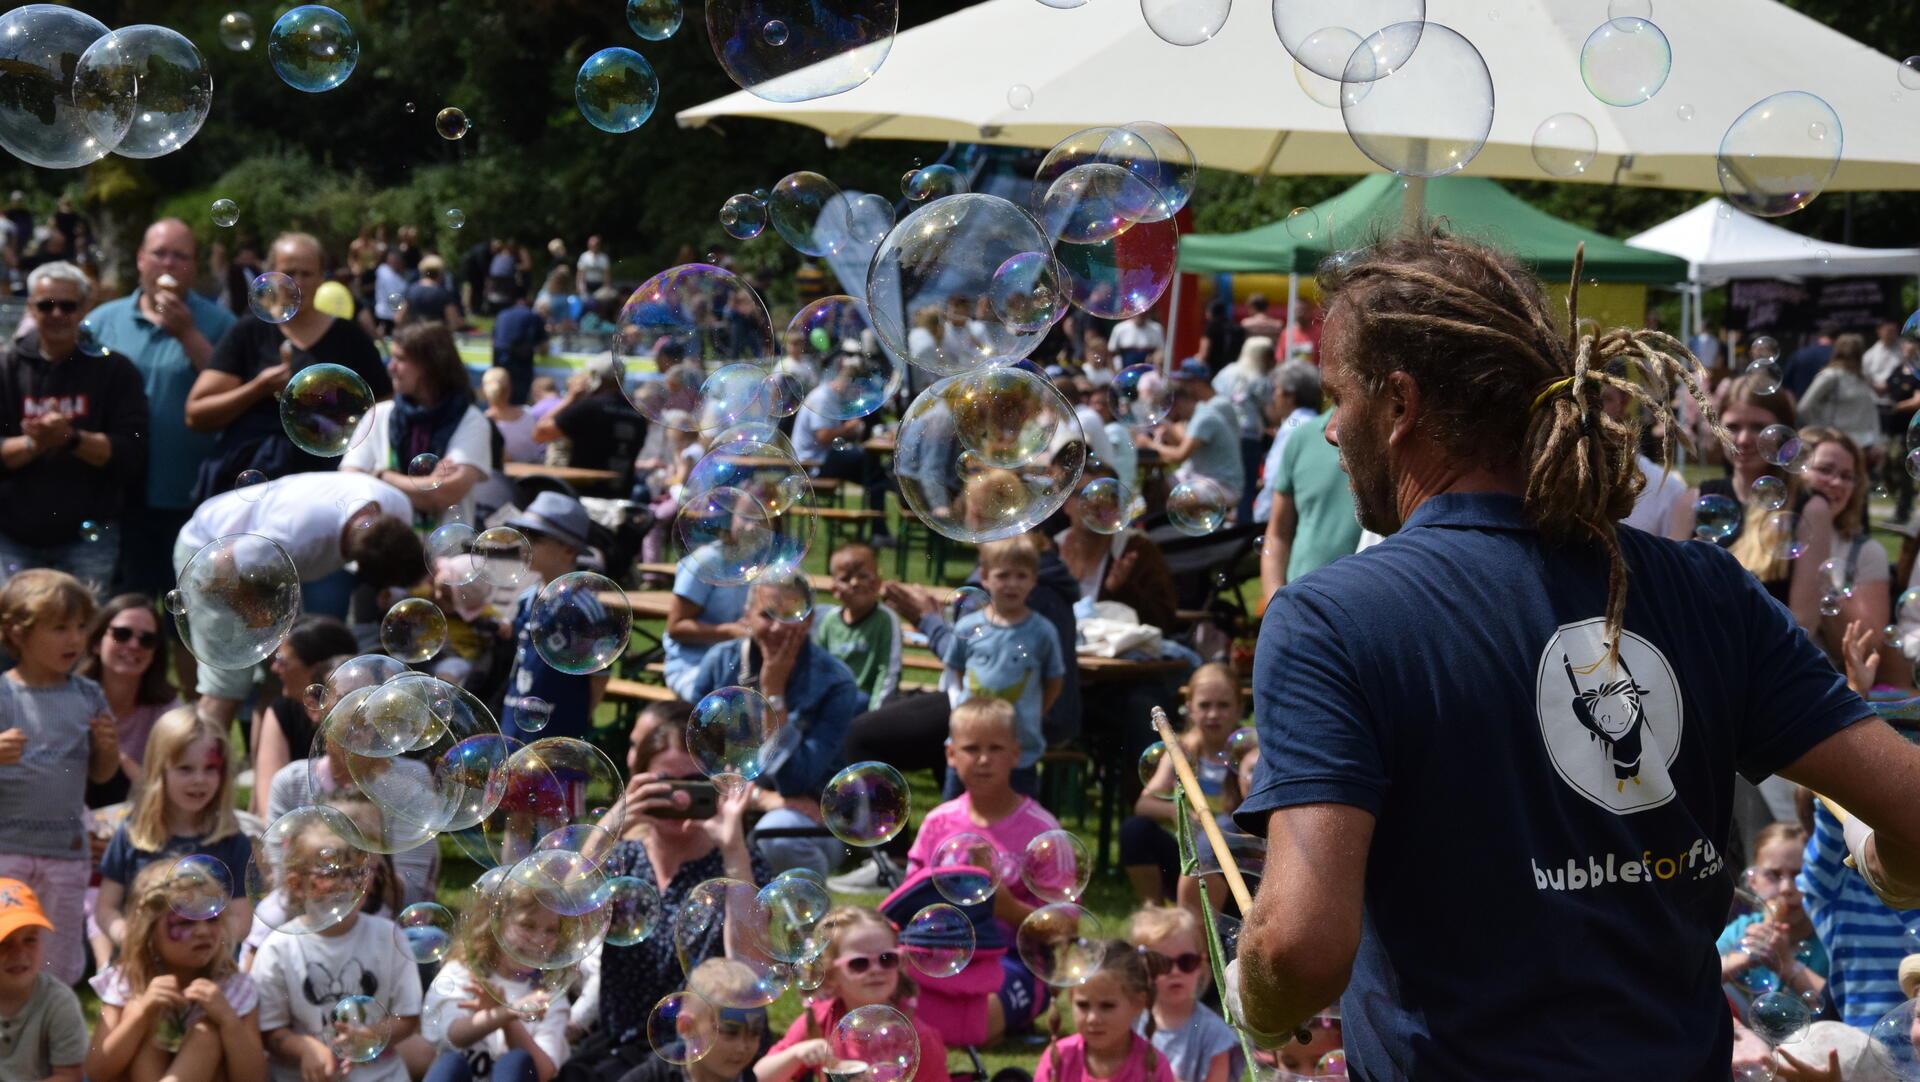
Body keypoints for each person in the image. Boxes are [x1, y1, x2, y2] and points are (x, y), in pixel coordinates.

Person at [1229, 228, 1920, 1079]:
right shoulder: (1708, 587)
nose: (1333, 430)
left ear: (1400, 404)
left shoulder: (1332, 618)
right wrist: (1889, 866)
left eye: (1339, 397)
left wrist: (1252, 992)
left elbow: (1301, 951)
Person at [174, 472, 424, 723]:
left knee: (284, 680)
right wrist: (261, 621)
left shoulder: (398, 508)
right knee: (227, 688)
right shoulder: (300, 537)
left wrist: (277, 639)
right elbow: (221, 569)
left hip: (260, 569)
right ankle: (196, 756)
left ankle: (266, 761)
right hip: (210, 557)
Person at [88, 219, 236, 596]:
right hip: (116, 493)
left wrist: (187, 334)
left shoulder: (221, 324)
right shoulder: (104, 320)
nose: (168, 264)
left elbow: (236, 391)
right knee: (120, 604)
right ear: (140, 259)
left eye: (180, 256)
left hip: (189, 491)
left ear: (194, 265)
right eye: (159, 253)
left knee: (188, 611)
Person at [187, 232, 392, 500]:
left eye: (307, 273)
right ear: (270, 275)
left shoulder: (349, 337)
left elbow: (385, 409)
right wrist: (257, 388)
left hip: (325, 485)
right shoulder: (250, 331)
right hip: (253, 483)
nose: (299, 282)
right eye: (289, 272)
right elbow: (196, 413)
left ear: (322, 278)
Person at [689, 576, 867, 875]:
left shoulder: (835, 682)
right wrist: (761, 798)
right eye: (767, 614)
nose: (777, 627)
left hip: (811, 813)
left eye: (790, 615)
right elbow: (695, 757)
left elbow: (796, 779)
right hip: (739, 800)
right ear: (746, 617)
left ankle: (804, 913)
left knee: (779, 837)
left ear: (809, 620)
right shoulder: (721, 663)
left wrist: (774, 696)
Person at [596, 744, 766, 1046]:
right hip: (619, 1047)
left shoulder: (745, 867)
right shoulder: (623, 860)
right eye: (663, 783)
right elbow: (557, 915)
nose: (680, 797)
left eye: (693, 782)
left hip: (710, 1055)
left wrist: (733, 850)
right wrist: (611, 825)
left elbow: (751, 972)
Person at [0, 261, 149, 595]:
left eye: (68, 305)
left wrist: (70, 438)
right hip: (12, 536)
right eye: (45, 305)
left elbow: (131, 453)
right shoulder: (6, 367)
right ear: (30, 308)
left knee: (84, 638)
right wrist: (34, 443)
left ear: (86, 308)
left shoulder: (115, 370)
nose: (57, 314)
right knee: (13, 638)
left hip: (89, 539)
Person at [0, 569, 118, 984]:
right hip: (7, 850)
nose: (75, 639)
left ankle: (55, 1033)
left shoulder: (88, 695)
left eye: (81, 627)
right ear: (17, 632)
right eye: (60, 628)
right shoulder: (3, 694)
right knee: (7, 949)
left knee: (56, 957)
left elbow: (102, 776)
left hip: (66, 852)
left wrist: (107, 750)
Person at [253, 813, 423, 1082]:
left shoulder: (388, 936)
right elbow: (269, 1030)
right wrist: (305, 1049)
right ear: (297, 884)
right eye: (331, 873)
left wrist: (374, 1034)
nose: (346, 885)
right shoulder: (278, 948)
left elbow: (409, 1016)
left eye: (355, 873)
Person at [1667, 373, 1835, 633]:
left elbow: (1804, 621)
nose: (1744, 439)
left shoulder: (1809, 508)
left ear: (1784, 433)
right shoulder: (1692, 500)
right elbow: (1671, 597)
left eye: (1758, 427)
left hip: (1772, 661)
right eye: (1733, 426)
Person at [83, 861, 266, 1082]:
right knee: (142, 1022)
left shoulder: (234, 988)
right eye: (186, 923)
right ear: (149, 931)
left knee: (206, 1033)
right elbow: (96, 1071)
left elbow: (254, 1078)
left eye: (212, 918)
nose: (203, 930)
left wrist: (228, 1020)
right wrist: (141, 1013)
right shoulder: (129, 981)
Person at [94, 707, 253, 954]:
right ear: (160, 771)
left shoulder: (232, 842)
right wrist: (129, 937)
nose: (199, 779)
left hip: (210, 971)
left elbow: (241, 917)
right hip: (149, 967)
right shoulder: (132, 835)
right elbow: (106, 908)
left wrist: (205, 947)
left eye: (210, 768)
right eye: (185, 768)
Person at [903, 697, 1059, 935]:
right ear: (951, 754)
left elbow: (1064, 926)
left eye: (995, 748)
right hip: (943, 949)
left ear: (1016, 753)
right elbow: (910, 900)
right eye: (971, 748)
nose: (984, 760)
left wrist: (1007, 908)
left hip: (1014, 957)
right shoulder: (938, 822)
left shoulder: (1041, 830)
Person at [756, 907, 951, 1082]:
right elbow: (759, 1076)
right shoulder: (820, 1020)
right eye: (859, 963)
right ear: (832, 975)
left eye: (886, 959)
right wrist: (796, 1054)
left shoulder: (918, 1039)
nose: (876, 970)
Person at [942, 537, 1066, 797]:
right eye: (1003, 575)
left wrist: (1033, 712)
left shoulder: (1042, 631)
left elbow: (1054, 681)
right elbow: (955, 670)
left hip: (1018, 751)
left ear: (1034, 580)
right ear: (985, 576)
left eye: (1021, 576)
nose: (1012, 583)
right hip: (968, 742)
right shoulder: (968, 627)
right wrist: (961, 709)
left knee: (1017, 825)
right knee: (957, 818)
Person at [343, 320, 494, 530]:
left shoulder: (471, 420)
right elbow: (349, 482)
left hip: (446, 556)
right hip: (380, 553)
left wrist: (378, 475)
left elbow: (443, 494)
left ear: (431, 365)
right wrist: (421, 486)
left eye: (400, 358)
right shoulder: (380, 415)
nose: (391, 367)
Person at [419, 888, 571, 1082]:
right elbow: (453, 1035)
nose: (539, 940)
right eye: (527, 925)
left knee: (516, 1062)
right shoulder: (463, 972)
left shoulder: (550, 994)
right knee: (450, 1063)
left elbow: (543, 1071)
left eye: (551, 931)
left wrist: (508, 1018)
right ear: (495, 924)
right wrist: (505, 1013)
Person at [1123, 664, 1242, 904]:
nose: (1213, 714)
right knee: (1135, 830)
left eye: (1223, 705)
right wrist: (1177, 813)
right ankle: (1154, 913)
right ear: (1189, 709)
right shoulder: (1181, 753)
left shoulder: (1249, 753)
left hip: (1235, 866)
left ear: (1240, 709)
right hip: (1186, 860)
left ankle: (1209, 921)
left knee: (1221, 825)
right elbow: (1144, 804)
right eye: (1205, 705)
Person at [499, 493, 607, 742]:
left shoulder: (581, 606)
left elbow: (598, 675)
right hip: (516, 716)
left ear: (567, 549)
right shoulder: (527, 598)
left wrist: (579, 718)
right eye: (522, 534)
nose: (524, 543)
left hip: (559, 728)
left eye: (535, 537)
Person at [1800, 428, 1892, 668]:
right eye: (1825, 470)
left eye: (1847, 476)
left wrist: (1822, 576)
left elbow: (1868, 649)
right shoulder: (1768, 535)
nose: (1836, 483)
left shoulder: (1865, 552)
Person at [250, 616, 358, 818]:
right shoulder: (283, 711)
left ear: (316, 669)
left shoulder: (366, 716)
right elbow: (270, 812)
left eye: (282, 660)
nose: (274, 668)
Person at [78, 594, 179, 808]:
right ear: (96, 643)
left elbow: (173, 788)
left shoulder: (168, 710)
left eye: (147, 640)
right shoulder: (70, 699)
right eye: (121, 635)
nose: (134, 645)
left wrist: (118, 759)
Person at [1256, 400, 1360, 608]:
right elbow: (1277, 534)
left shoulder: (1396, 443)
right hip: (1302, 602)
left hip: (1362, 604)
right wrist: (1274, 604)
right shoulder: (1301, 438)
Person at [1718, 823, 1827, 1015]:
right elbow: (1694, 973)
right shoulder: (1744, 930)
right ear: (1753, 882)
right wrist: (1744, 957)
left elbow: (1839, 1008)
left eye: (1799, 874)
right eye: (1773, 875)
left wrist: (1787, 964)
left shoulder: (1828, 936)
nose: (1787, 888)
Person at [1055, 463, 1177, 632]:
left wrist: (1124, 589)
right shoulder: (1052, 551)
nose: (1096, 503)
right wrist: (1062, 585)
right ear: (1065, 504)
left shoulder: (1138, 550)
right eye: (1085, 495)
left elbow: (1165, 621)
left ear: (1117, 506)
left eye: (1105, 495)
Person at [1129, 906, 1241, 1082]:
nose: (1174, 972)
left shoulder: (1214, 1034)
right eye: (1161, 963)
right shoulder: (1130, 1021)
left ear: (1201, 964)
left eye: (1186, 962)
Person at [1036, 942, 1174, 1082]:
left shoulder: (1152, 1067)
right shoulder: (1059, 1058)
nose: (1093, 1018)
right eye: (1083, 1005)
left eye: (1107, 1006)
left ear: (1138, 1003)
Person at [615, 959, 763, 1082]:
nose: (743, 1047)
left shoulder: (746, 1078)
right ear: (686, 1027)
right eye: (730, 1031)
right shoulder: (649, 1077)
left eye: (755, 1032)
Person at [0, 878, 87, 1082]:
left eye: (30, 939)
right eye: (4, 943)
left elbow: (69, 1075)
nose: (19, 953)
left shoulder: (58, 1002)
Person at [811, 544, 902, 711]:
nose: (855, 583)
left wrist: (874, 716)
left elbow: (888, 673)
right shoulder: (830, 621)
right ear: (834, 590)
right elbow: (818, 668)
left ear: (877, 583)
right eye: (845, 579)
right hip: (833, 700)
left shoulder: (885, 620)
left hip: (867, 703)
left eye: (863, 576)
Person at [1144, 360, 1243, 511]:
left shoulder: (1205, 416)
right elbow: (1184, 444)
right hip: (1205, 478)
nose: (1170, 415)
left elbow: (1180, 455)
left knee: (1173, 495)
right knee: (1156, 484)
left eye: (1168, 410)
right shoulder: (1199, 414)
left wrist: (1148, 444)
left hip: (1223, 485)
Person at [534, 355, 645, 487]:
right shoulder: (637, 414)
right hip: (621, 490)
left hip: (583, 490)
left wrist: (570, 398)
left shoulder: (588, 408)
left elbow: (540, 433)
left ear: (596, 378)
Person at [662, 549, 750, 702]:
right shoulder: (707, 561)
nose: (753, 527)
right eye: (747, 522)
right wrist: (730, 632)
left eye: (764, 523)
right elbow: (675, 627)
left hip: (743, 667)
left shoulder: (769, 563)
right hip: (694, 666)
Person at [1212, 337, 1275, 524]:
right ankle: (1243, 528)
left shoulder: (1226, 373)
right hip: (1249, 438)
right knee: (1246, 487)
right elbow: (1270, 412)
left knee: (1222, 483)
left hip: (1225, 436)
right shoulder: (1260, 380)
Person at [1253, 362, 1322, 525]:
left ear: (1290, 396)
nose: (1274, 397)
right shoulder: (1312, 422)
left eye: (1276, 390)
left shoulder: (1293, 427)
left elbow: (1277, 480)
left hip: (1280, 519)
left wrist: (1263, 515)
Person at [1799, 334, 1881, 464]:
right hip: (1838, 444)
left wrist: (1877, 441)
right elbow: (1805, 406)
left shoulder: (1862, 378)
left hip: (1864, 445)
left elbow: (1871, 411)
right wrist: (1822, 432)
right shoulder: (1830, 376)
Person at [493, 290, 546, 404]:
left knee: (500, 396)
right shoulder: (534, 316)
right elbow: (543, 347)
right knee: (517, 400)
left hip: (498, 358)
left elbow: (493, 339)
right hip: (519, 362)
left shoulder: (502, 314)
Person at [484, 367, 542, 465]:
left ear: (483, 390)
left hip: (504, 476)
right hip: (534, 475)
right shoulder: (528, 413)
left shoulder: (482, 422)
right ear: (510, 388)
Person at [403, 256, 463, 329]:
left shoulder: (411, 291)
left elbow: (399, 318)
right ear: (440, 273)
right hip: (436, 335)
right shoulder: (443, 294)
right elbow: (454, 323)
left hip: (415, 334)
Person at [1783, 324, 1837, 401]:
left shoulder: (1799, 354)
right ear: (1837, 338)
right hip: (1826, 407)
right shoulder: (1837, 357)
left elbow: (1786, 384)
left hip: (1799, 403)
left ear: (1819, 336)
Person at [374, 247, 409, 334]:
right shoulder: (386, 273)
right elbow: (394, 297)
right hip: (389, 316)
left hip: (387, 315)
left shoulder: (390, 271)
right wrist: (400, 315)